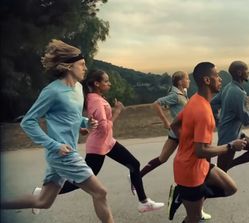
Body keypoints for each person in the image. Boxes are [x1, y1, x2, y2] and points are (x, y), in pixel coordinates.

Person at [0, 40, 114, 223]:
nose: (85, 68)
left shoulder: (77, 88)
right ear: (69, 66)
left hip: (66, 151)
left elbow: (71, 117)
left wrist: (86, 122)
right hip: (62, 154)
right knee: (100, 192)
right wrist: (54, 145)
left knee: (43, 201)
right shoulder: (52, 91)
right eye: (82, 65)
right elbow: (28, 121)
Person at [36, 69, 164, 213]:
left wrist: (87, 129)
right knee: (84, 180)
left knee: (134, 164)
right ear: (97, 83)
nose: (109, 84)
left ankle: (143, 202)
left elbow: (95, 123)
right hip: (98, 145)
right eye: (106, 81)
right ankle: (42, 194)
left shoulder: (95, 97)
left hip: (108, 142)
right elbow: (103, 126)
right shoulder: (95, 100)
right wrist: (117, 112)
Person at [168, 62, 247, 223]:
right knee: (195, 218)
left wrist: (187, 141)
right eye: (216, 76)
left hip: (200, 166)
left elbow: (174, 125)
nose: (220, 79)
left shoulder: (195, 100)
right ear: (206, 80)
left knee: (230, 188)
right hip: (190, 172)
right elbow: (201, 151)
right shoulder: (203, 111)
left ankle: (182, 196)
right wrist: (231, 146)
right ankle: (184, 196)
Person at [140, 71, 212, 220]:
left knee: (163, 158)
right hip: (180, 133)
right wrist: (166, 122)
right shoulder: (176, 95)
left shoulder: (181, 95)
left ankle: (137, 177)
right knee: (197, 162)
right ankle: (187, 198)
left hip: (179, 132)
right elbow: (156, 104)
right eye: (186, 79)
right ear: (180, 82)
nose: (189, 81)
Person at [211, 60, 249, 172]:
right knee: (220, 174)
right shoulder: (238, 93)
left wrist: (219, 122)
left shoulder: (228, 87)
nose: (248, 73)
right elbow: (247, 119)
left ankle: (227, 166)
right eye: (246, 70)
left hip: (236, 134)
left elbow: (213, 104)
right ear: (240, 73)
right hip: (229, 138)